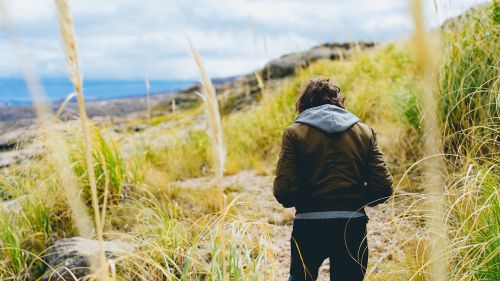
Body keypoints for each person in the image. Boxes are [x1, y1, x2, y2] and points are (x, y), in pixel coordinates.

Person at [273, 77, 393, 281]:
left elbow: (285, 191)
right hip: (352, 225)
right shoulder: (364, 131)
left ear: (303, 103)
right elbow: (382, 187)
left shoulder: (294, 133)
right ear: (338, 101)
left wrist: (306, 200)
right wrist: (354, 201)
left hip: (309, 225)